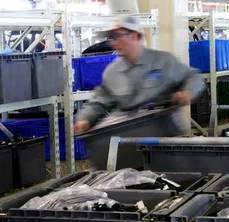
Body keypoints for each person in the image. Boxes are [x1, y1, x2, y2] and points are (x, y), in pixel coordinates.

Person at [75, 15, 204, 135]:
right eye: (112, 38)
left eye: (118, 37)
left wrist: (188, 92)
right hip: (132, 133)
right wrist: (85, 119)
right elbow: (98, 102)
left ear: (135, 36)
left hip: (166, 131)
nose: (114, 43)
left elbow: (194, 76)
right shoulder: (112, 72)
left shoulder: (163, 61)